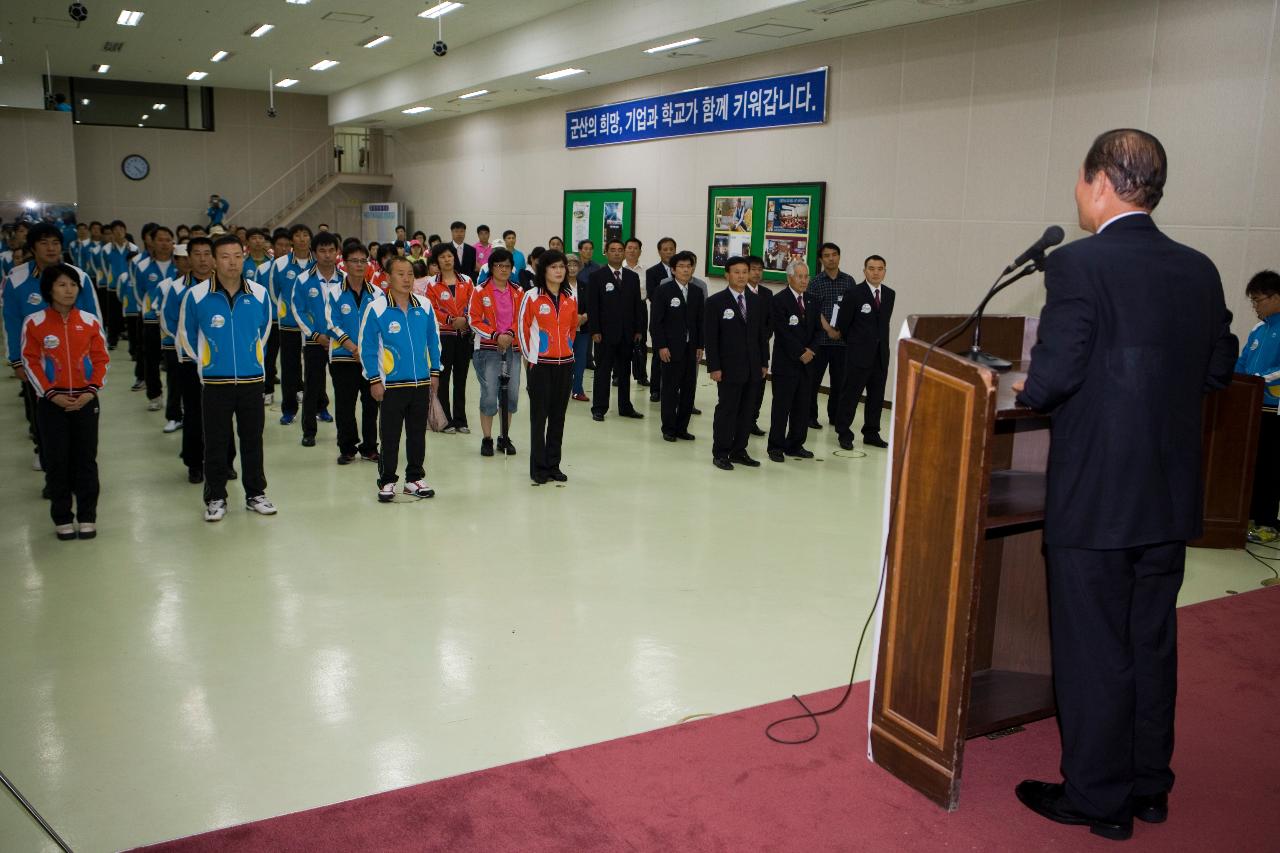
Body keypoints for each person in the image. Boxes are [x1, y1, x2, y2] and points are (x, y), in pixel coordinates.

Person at [1012, 129, 1237, 841]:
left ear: (1103, 182)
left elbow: (1052, 379)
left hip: (1097, 496)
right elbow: (1215, 368)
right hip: (1167, 495)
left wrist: (1028, 381)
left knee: (1094, 647)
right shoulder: (1198, 268)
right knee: (1150, 641)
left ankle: (1096, 797)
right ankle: (1147, 785)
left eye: (1080, 181)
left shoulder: (1079, 266)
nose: (1077, 194)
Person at [178, 235, 277, 522]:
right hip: (215, 382)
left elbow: (264, 332)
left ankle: (255, 493)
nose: (232, 262)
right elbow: (185, 337)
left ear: (243, 258)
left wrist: (251, 358)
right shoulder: (196, 296)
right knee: (216, 442)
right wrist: (209, 361)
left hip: (251, 380)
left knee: (252, 440)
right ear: (213, 260)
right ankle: (216, 497)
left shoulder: (258, 294)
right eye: (224, 256)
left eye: (237, 255)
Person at [4, 222, 103, 475]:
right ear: (32, 248)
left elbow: (94, 317)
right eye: (44, 243)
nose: (51, 248)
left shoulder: (77, 276)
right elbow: (12, 321)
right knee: (40, 411)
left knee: (79, 415)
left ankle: (75, 466)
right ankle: (46, 455)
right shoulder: (17, 278)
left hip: (76, 360)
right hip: (37, 361)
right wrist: (16, 359)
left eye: (56, 243)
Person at [21, 264, 109, 540]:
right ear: (49, 289)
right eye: (61, 285)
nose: (68, 290)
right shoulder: (34, 323)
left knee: (86, 460)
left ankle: (87, 516)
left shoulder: (90, 321)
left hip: (86, 400)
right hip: (51, 403)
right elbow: (30, 361)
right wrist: (51, 394)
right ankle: (62, 517)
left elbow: (101, 359)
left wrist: (90, 390)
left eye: (72, 285)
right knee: (57, 460)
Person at [359, 256, 441, 502]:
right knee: (390, 435)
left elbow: (433, 341)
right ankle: (386, 480)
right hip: (391, 385)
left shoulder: (425, 306)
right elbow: (368, 347)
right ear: (387, 278)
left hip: (420, 383)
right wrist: (374, 379)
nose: (406, 279)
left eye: (410, 274)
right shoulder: (377, 308)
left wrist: (434, 372)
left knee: (417, 433)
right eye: (400, 274)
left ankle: (414, 478)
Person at [170, 237, 235, 483]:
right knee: (195, 413)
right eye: (196, 254)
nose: (202, 259)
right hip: (191, 361)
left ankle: (227, 462)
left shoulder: (226, 287)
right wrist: (199, 357)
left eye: (207, 253)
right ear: (188, 258)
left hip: (223, 362)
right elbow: (171, 324)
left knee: (224, 414)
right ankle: (195, 463)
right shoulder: (178, 289)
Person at [704, 256, 769, 470]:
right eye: (737, 272)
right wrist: (714, 366)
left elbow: (762, 335)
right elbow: (711, 338)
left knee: (747, 411)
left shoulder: (756, 301)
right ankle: (721, 452)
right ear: (727, 275)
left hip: (753, 366)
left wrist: (764, 362)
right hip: (728, 368)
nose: (742, 276)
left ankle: (739, 450)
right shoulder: (715, 302)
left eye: (745, 272)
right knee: (727, 411)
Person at [518, 249, 577, 484]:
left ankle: (554, 464)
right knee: (539, 417)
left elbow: (572, 328)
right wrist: (531, 358)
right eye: (554, 267)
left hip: (565, 365)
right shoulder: (531, 296)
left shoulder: (570, 296)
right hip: (540, 365)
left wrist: (569, 350)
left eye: (562, 267)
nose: (559, 271)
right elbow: (522, 330)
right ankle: (539, 467)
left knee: (558, 417)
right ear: (543, 270)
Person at [325, 241, 380, 465]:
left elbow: (379, 325)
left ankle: (369, 447)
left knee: (370, 403)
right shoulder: (334, 291)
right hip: (342, 358)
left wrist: (365, 350)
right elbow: (332, 323)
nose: (359, 265)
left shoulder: (376, 293)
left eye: (363, 261)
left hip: (369, 360)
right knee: (345, 405)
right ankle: (347, 447)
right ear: (344, 264)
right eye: (354, 261)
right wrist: (352, 347)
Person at [1236, 269, 1280, 538]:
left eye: (1258, 300)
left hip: (1274, 410)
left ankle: (1267, 523)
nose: (1255, 307)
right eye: (1252, 301)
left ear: (1276, 297)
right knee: (1249, 465)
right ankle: (1248, 516)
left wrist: (1256, 381)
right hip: (1250, 409)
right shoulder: (1257, 330)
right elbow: (1241, 364)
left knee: (1270, 466)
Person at [833, 254, 893, 450]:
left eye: (879, 269)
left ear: (884, 271)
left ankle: (871, 432)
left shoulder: (890, 294)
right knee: (850, 395)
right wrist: (857, 344)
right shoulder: (854, 293)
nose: (876, 272)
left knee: (876, 396)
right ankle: (844, 432)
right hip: (858, 355)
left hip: (880, 355)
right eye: (871, 268)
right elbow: (843, 325)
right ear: (864, 271)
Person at [468, 247, 524, 455]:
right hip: (487, 349)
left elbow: (522, 319)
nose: (503, 269)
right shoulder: (480, 290)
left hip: (512, 348)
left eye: (507, 266)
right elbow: (473, 320)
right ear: (491, 268)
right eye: (499, 265)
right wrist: (495, 335)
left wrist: (508, 334)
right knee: (490, 394)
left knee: (511, 395)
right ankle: (487, 438)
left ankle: (504, 437)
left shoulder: (519, 291)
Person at [291, 231, 343, 446]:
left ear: (337, 253)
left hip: (340, 344)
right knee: (312, 387)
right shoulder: (303, 280)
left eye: (331, 250)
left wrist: (341, 338)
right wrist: (315, 334)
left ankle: (345, 434)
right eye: (322, 251)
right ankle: (309, 431)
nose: (327, 255)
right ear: (314, 253)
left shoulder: (345, 279)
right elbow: (297, 310)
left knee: (343, 389)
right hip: (314, 342)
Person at [766, 260, 821, 462]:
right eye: (800, 276)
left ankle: (795, 445)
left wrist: (812, 350)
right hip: (786, 363)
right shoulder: (779, 300)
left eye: (806, 276)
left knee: (802, 407)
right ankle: (776, 447)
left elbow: (818, 330)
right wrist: (800, 352)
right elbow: (782, 331)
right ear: (790, 278)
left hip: (808, 364)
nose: (804, 280)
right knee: (782, 407)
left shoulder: (814, 300)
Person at [587, 239, 645, 421]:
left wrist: (638, 329)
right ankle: (599, 408)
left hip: (627, 334)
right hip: (604, 334)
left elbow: (637, 305)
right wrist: (595, 329)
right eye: (613, 250)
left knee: (625, 373)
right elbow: (592, 306)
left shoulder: (632, 277)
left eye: (620, 250)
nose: (617, 253)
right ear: (606, 253)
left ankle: (625, 406)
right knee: (603, 372)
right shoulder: (597, 276)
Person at [649, 250, 704, 442]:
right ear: (673, 270)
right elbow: (656, 322)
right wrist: (661, 346)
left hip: (691, 349)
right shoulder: (663, 290)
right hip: (670, 349)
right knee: (670, 389)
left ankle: (682, 427)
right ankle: (669, 428)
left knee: (689, 389)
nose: (685, 270)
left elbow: (700, 321)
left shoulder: (697, 292)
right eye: (681, 266)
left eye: (689, 266)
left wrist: (700, 345)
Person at [425, 241, 475, 434]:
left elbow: (474, 304)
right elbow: (430, 307)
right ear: (437, 261)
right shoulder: (432, 283)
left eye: (450, 256)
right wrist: (449, 318)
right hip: (443, 336)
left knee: (461, 379)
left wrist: (466, 319)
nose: (447, 260)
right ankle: (446, 421)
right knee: (443, 378)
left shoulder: (467, 281)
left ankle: (461, 419)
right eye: (442, 257)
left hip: (463, 335)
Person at [270, 224, 317, 426]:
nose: (302, 238)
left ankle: (318, 406)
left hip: (315, 327)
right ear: (291, 240)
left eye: (305, 234)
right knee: (289, 368)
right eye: (297, 235)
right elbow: (274, 293)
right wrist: (286, 311)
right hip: (289, 324)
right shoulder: (280, 264)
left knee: (315, 368)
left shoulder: (318, 263)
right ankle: (289, 409)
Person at [807, 242, 855, 430]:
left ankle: (835, 416)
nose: (831, 258)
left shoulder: (849, 281)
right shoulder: (816, 282)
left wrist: (841, 330)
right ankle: (811, 416)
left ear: (839, 256)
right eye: (827, 255)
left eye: (834, 254)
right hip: (821, 340)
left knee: (840, 383)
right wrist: (828, 330)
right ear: (821, 259)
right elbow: (813, 310)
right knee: (813, 381)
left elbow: (852, 309)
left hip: (842, 342)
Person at [133, 226, 177, 411]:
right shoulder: (141, 266)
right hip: (151, 320)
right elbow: (138, 292)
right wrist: (151, 309)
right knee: (151, 359)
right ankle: (155, 395)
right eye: (160, 239)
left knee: (174, 361)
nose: (165, 243)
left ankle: (177, 399)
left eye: (168, 239)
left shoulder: (180, 265)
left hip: (174, 322)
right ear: (151, 241)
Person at [155, 243, 191, 433]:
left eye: (188, 258)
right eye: (182, 258)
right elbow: (163, 317)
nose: (187, 262)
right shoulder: (167, 286)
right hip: (173, 343)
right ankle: (174, 416)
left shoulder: (204, 284)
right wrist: (182, 338)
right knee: (175, 381)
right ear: (175, 261)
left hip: (199, 347)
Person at [645, 237, 677, 402]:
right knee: (658, 356)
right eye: (665, 249)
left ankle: (672, 389)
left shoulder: (681, 269)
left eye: (671, 249)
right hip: (660, 319)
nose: (669, 252)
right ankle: (655, 389)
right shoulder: (652, 272)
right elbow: (652, 295)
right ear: (659, 252)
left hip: (677, 322)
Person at [745, 255, 773, 436]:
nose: (756, 273)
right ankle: (740, 420)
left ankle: (752, 421)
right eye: (752, 269)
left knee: (759, 388)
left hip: (761, 348)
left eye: (759, 269)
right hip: (741, 350)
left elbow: (770, 322)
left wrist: (762, 338)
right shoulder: (739, 292)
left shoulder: (767, 294)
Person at [622, 237, 650, 387]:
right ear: (625, 250)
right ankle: (618, 375)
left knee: (641, 342)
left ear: (640, 251)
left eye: (635, 248)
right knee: (620, 341)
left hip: (640, 307)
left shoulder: (646, 270)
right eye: (629, 248)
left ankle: (641, 375)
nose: (632, 251)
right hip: (621, 308)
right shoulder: (619, 268)